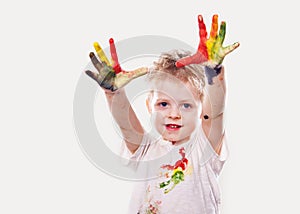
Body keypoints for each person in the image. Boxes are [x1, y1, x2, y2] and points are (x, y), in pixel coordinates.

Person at [86, 14, 239, 214]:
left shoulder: (204, 148)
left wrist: (214, 72)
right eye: (164, 104)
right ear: (149, 105)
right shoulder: (145, 149)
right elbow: (125, 122)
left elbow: (215, 113)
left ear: (201, 108)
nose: (174, 114)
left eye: (186, 106)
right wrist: (112, 92)